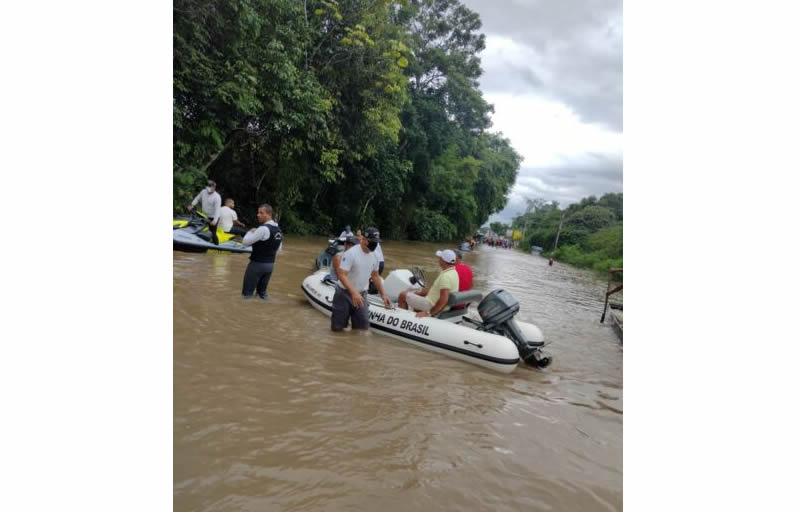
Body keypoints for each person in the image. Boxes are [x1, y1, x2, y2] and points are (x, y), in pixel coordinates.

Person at [332, 227, 391, 331]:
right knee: (338, 330)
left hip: (361, 295)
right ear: (363, 239)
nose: (375, 244)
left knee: (362, 329)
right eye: (372, 241)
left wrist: (383, 294)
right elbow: (341, 275)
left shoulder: (375, 256)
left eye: (376, 242)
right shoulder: (351, 253)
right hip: (343, 294)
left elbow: (375, 276)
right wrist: (353, 292)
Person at [397, 249, 460, 318]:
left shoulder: (445, 276)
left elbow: (443, 299)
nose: (438, 260)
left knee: (403, 295)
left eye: (440, 258)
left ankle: (402, 319)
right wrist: (420, 292)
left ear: (443, 261)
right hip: (442, 306)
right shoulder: (454, 273)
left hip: (430, 304)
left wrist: (429, 313)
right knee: (418, 293)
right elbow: (437, 292)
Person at [241, 204, 282, 300]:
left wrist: (251, 231)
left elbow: (245, 242)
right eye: (258, 212)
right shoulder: (278, 230)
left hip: (257, 265)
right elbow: (278, 249)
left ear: (268, 214)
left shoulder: (263, 229)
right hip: (270, 266)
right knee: (262, 294)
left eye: (261, 213)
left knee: (247, 295)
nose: (258, 215)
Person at [187, 180, 222, 245]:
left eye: (212, 186)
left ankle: (216, 246)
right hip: (204, 215)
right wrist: (192, 205)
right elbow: (197, 198)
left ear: (214, 187)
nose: (210, 188)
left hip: (213, 217)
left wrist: (214, 221)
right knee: (199, 229)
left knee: (212, 233)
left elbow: (217, 210)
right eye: (209, 186)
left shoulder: (217, 197)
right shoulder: (203, 192)